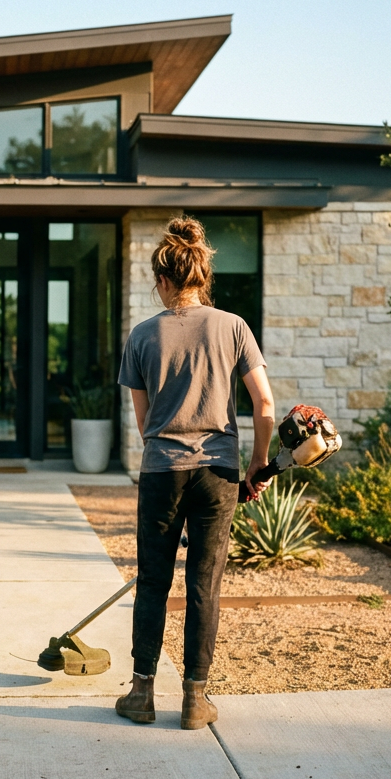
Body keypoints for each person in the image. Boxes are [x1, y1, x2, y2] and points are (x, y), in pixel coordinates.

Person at [115, 216, 274, 730]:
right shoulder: (233, 326)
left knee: (153, 582)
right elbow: (265, 407)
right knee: (204, 584)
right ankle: (194, 699)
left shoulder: (141, 336)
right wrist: (255, 464)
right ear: (200, 276)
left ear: (164, 279)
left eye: (155, 281)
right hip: (218, 472)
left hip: (163, 470)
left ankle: (141, 695)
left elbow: (143, 423)